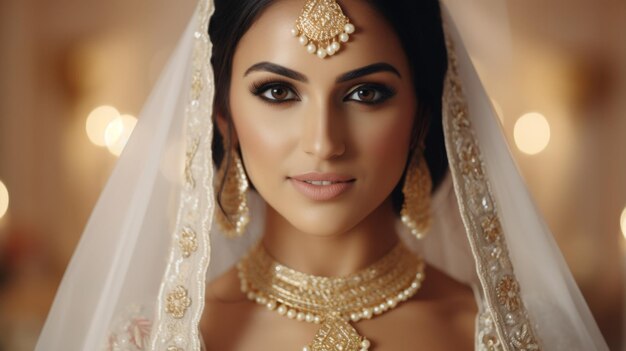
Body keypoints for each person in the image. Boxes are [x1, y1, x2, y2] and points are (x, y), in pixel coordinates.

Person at [35, 0, 610, 350]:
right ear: (222, 114)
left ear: (420, 117)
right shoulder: (154, 342)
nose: (323, 143)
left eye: (366, 93)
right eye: (278, 91)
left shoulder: (512, 336)